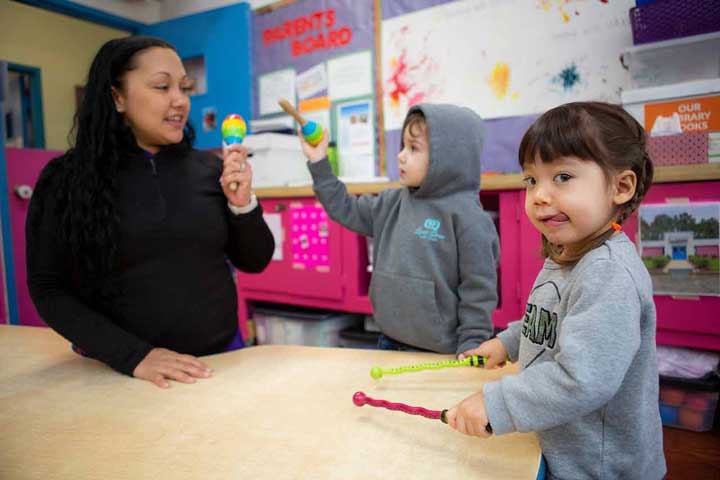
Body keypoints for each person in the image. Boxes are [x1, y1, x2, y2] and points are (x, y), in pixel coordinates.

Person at [26, 36, 274, 388]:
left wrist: (242, 205)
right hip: (118, 373)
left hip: (219, 364)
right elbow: (48, 288)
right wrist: (134, 356)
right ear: (117, 97)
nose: (180, 101)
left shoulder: (208, 169)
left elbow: (255, 260)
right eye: (162, 87)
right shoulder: (65, 179)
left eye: (184, 88)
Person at [445, 102, 666, 479]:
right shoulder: (568, 251)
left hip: (600, 468)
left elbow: (581, 379)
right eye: (531, 180)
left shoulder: (608, 273)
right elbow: (548, 319)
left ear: (621, 186)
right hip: (561, 449)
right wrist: (507, 343)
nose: (540, 195)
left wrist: (497, 403)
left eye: (562, 177)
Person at [298, 104, 499, 356]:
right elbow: (343, 207)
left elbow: (478, 290)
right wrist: (319, 162)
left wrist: (472, 344)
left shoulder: (470, 219)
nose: (401, 155)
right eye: (403, 146)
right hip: (388, 342)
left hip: (441, 353)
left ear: (447, 158)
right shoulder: (389, 202)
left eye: (414, 148)